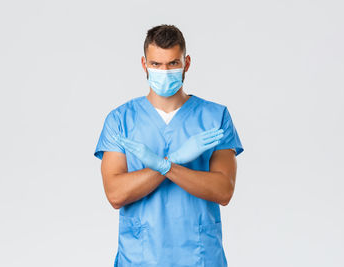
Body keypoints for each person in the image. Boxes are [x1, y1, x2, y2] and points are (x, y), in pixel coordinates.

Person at [94, 24, 244, 267]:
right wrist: (172, 160)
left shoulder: (215, 117)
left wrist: (165, 165)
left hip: (199, 257)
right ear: (144, 65)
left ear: (187, 63)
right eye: (156, 64)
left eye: (173, 63)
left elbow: (223, 191)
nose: (164, 71)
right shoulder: (120, 120)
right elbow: (116, 194)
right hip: (141, 257)